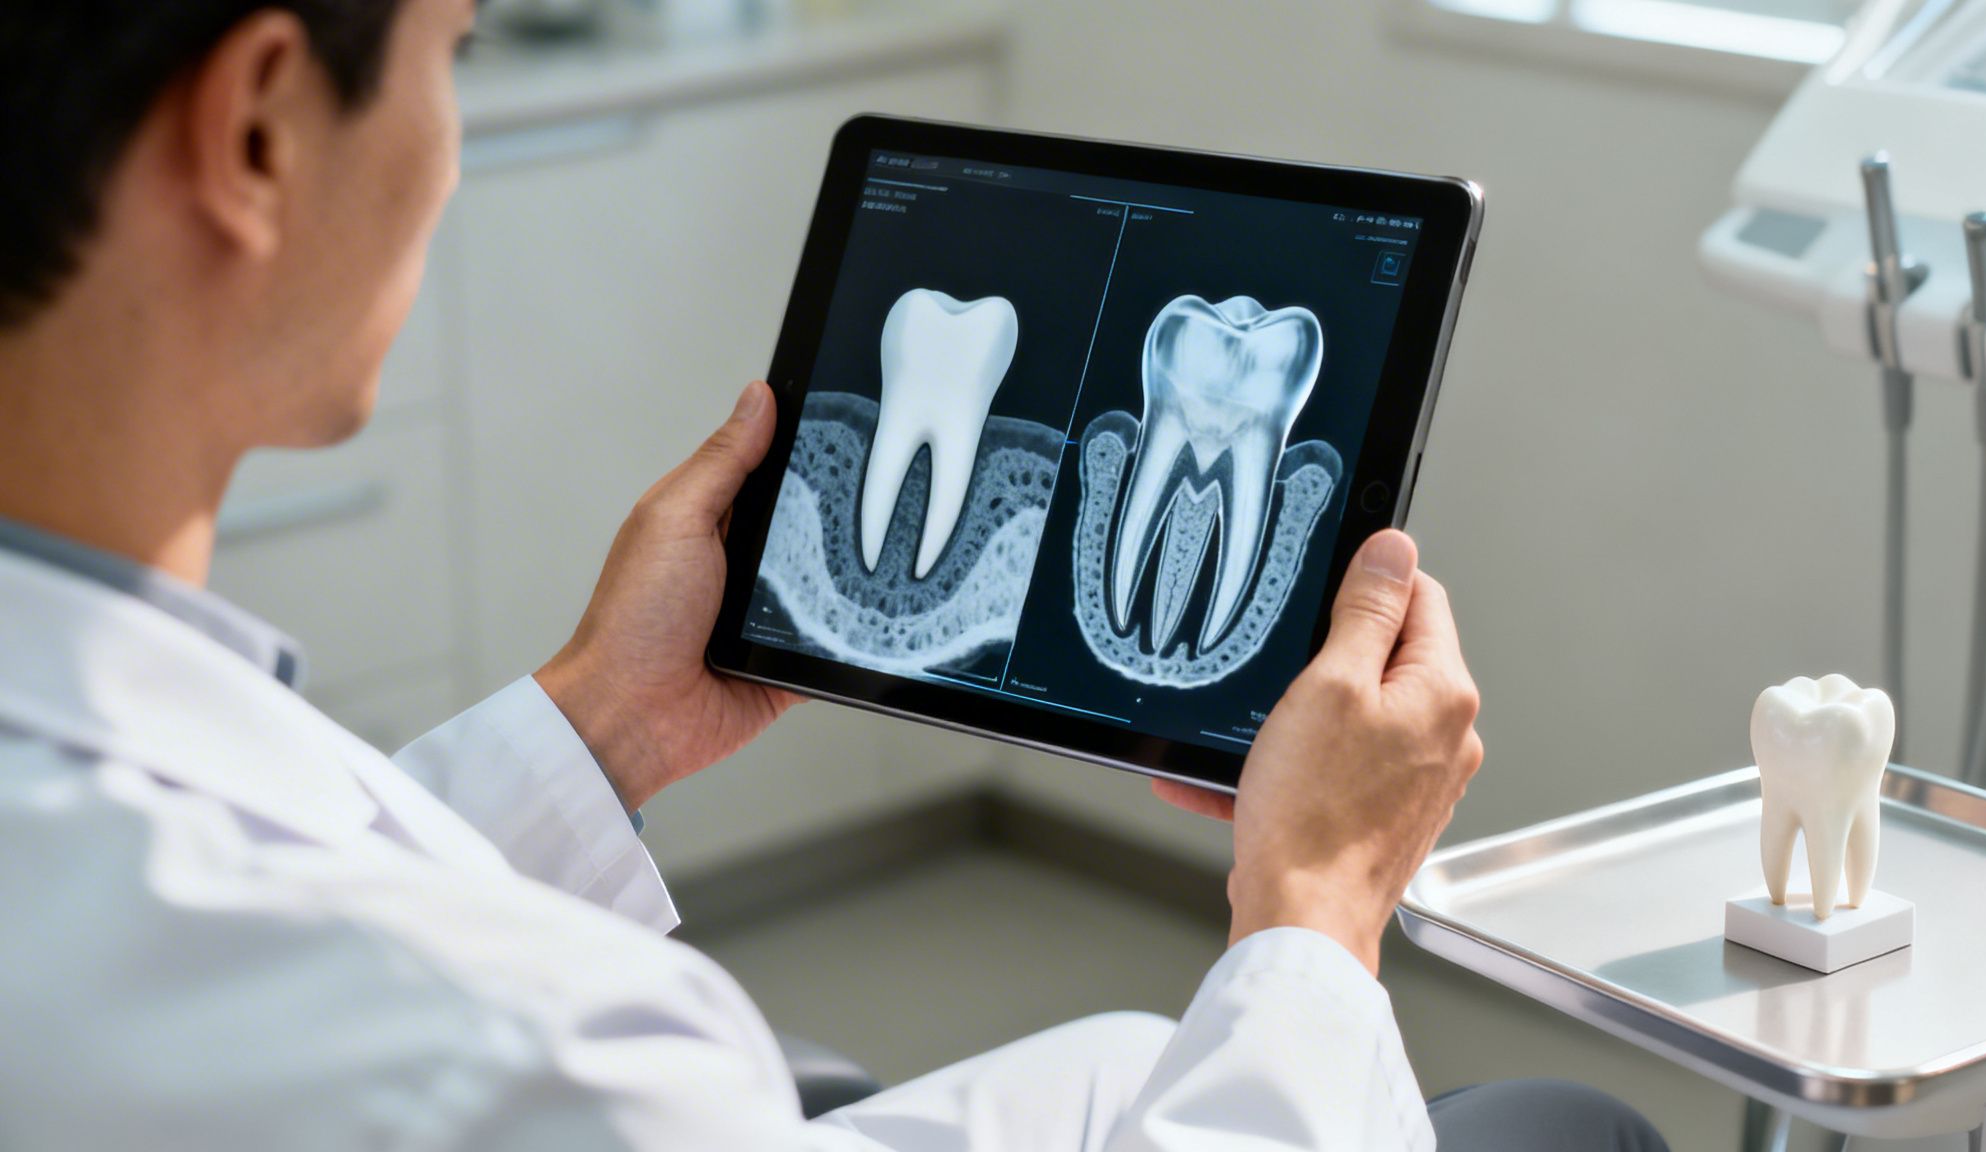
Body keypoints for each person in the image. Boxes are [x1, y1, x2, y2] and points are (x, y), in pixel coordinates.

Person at [0, 2, 1668, 1149]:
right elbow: (416, 1003)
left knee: (1118, 1062)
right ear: (261, 128)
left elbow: (288, 903)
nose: (442, 138)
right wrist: (1311, 909)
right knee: (1566, 1125)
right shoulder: (567, 1059)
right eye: (456, 45)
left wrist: (606, 726)